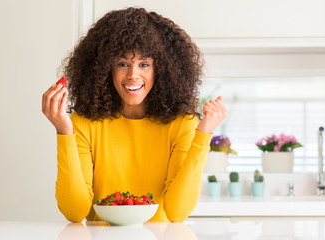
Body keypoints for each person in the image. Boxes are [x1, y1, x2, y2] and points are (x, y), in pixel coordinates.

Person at [42, 7, 227, 222]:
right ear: (104, 68)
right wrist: (64, 132)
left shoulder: (181, 123)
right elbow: (75, 211)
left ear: (162, 70)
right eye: (122, 64)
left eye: (144, 64)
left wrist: (203, 133)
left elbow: (177, 212)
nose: (133, 75)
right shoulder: (83, 123)